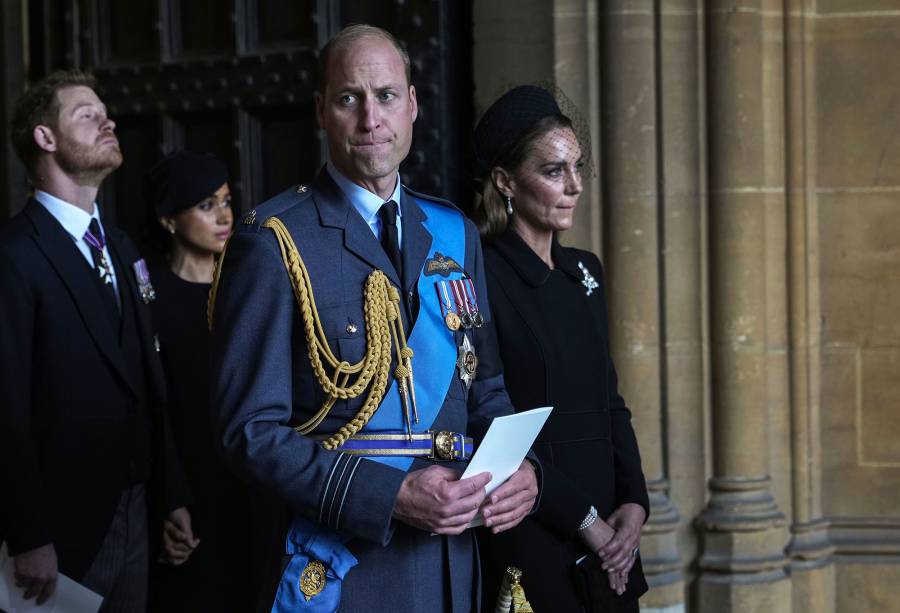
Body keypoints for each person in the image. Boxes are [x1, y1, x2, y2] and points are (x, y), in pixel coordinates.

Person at [209, 24, 539, 612]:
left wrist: (523, 471)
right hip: (346, 571)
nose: (371, 119)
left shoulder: (454, 233)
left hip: (450, 563)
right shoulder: (275, 241)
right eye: (348, 99)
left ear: (413, 105)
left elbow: (485, 389)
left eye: (386, 96)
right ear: (320, 111)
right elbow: (249, 433)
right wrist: (388, 495)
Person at [0, 70, 195, 611]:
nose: (108, 120)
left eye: (105, 111)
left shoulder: (123, 246)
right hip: (59, 531)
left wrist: (171, 495)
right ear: (45, 138)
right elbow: (5, 405)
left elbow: (148, 381)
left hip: (136, 512)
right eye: (86, 114)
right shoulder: (14, 255)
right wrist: (28, 534)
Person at [472, 85, 651, 612]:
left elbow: (610, 400)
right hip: (534, 529)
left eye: (577, 167)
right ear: (506, 182)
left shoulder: (585, 273)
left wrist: (634, 504)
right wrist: (584, 520)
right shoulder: (478, 274)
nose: (574, 186)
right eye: (554, 172)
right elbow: (486, 421)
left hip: (611, 538)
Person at [142, 150, 255, 612]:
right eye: (207, 205)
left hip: (249, 483)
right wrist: (171, 499)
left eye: (226, 201)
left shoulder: (247, 284)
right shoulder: (148, 296)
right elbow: (152, 405)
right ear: (169, 220)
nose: (224, 216)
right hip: (183, 487)